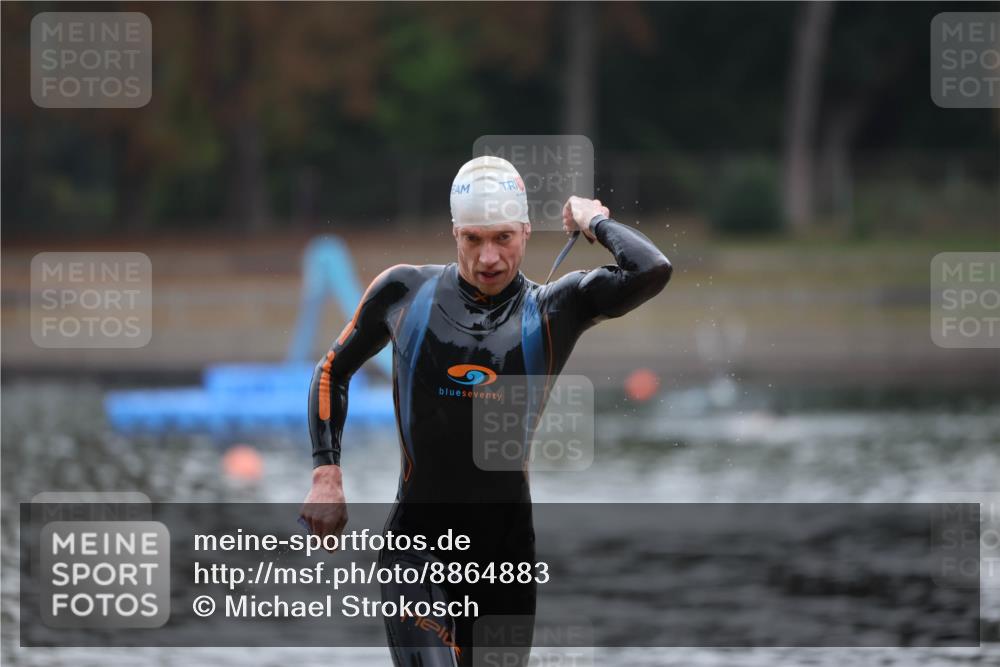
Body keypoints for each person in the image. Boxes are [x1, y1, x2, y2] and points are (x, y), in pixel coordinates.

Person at [300, 155, 672, 666]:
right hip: (419, 550)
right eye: (473, 239)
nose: (488, 257)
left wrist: (594, 222)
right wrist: (326, 471)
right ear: (455, 233)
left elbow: (651, 269)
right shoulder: (404, 292)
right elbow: (331, 371)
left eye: (502, 238)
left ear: (525, 230)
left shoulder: (554, 308)